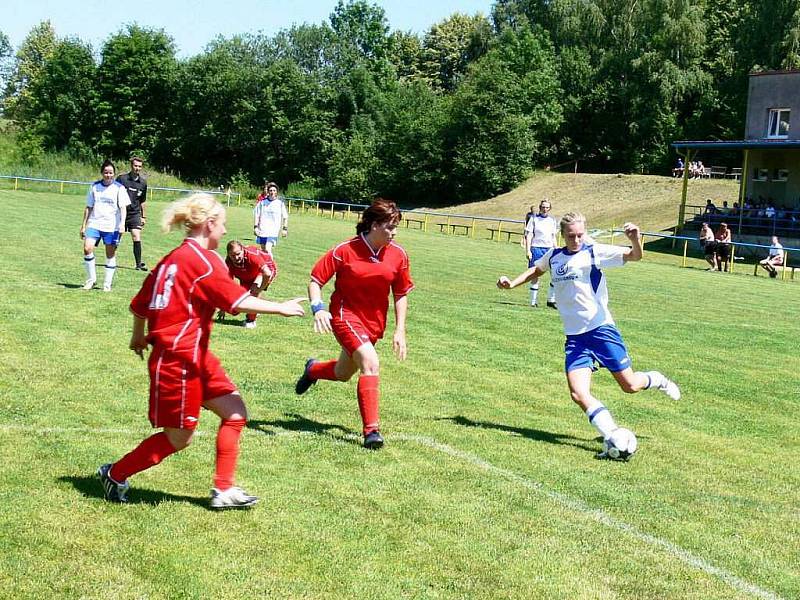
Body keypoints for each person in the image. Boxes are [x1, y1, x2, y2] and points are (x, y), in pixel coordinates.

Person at [97, 193, 305, 508]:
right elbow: (236, 301)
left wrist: (137, 336)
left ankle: (224, 490)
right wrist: (281, 307)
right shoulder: (204, 261)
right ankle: (115, 474)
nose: (223, 232)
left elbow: (140, 304)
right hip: (178, 358)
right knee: (180, 437)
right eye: (222, 225)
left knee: (235, 412)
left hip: (197, 356)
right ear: (209, 225)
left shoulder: (171, 259)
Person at [496, 213, 680, 459]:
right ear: (563, 235)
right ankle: (612, 435)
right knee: (578, 394)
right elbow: (535, 271)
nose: (576, 240)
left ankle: (657, 379)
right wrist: (511, 284)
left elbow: (634, 256)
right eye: (571, 236)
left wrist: (636, 240)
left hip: (601, 331)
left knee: (630, 385)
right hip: (575, 338)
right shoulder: (554, 256)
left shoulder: (594, 252)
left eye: (580, 235)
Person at [294, 199, 414, 449]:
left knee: (343, 373)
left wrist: (400, 329)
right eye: (390, 226)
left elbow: (401, 294)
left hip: (373, 323)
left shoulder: (398, 255)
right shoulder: (345, 250)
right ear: (373, 224)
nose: (395, 232)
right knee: (370, 362)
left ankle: (313, 369)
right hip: (344, 315)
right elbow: (316, 280)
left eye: (396, 227)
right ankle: (372, 431)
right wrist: (318, 308)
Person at [80, 160, 130, 291]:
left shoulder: (119, 188)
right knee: (87, 248)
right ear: (102, 173)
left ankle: (107, 284)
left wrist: (122, 224)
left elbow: (123, 208)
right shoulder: (94, 186)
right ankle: (91, 280)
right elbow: (89, 207)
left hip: (111, 227)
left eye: (111, 173)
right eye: (106, 172)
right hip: (94, 224)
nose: (108, 175)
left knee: (110, 254)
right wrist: (83, 225)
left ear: (114, 174)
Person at [224, 240, 278, 328]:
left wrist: (259, 289)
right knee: (235, 307)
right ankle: (257, 308)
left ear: (243, 250)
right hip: (247, 274)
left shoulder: (252, 256)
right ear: (228, 254)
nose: (236, 257)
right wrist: (224, 306)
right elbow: (228, 284)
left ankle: (251, 320)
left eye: (238, 254)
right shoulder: (229, 263)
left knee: (253, 292)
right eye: (232, 255)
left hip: (264, 270)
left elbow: (267, 273)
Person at [521, 198, 558, 308]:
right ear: (540, 207)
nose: (545, 209)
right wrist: (528, 250)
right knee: (535, 275)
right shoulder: (534, 219)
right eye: (543, 207)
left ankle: (551, 300)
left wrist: (556, 249)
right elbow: (529, 235)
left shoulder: (552, 220)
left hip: (549, 249)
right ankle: (533, 302)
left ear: (549, 209)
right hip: (536, 248)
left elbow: (553, 236)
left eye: (547, 207)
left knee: (555, 275)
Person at [117, 156, 149, 271]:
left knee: (136, 235)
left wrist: (143, 216)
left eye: (139, 166)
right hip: (121, 212)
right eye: (135, 166)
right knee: (117, 237)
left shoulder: (143, 183)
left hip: (134, 214)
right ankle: (110, 259)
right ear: (131, 165)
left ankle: (138, 264)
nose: (137, 168)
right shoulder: (122, 179)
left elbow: (143, 201)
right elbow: (113, 192)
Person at [253, 182, 288, 253]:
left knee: (268, 248)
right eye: (271, 190)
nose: (272, 192)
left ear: (277, 192)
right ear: (268, 191)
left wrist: (285, 229)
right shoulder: (262, 203)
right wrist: (255, 227)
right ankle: (266, 264)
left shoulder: (280, 203)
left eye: (274, 190)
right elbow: (257, 215)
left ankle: (271, 264)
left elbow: (285, 217)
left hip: (273, 231)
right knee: (263, 251)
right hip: (262, 230)